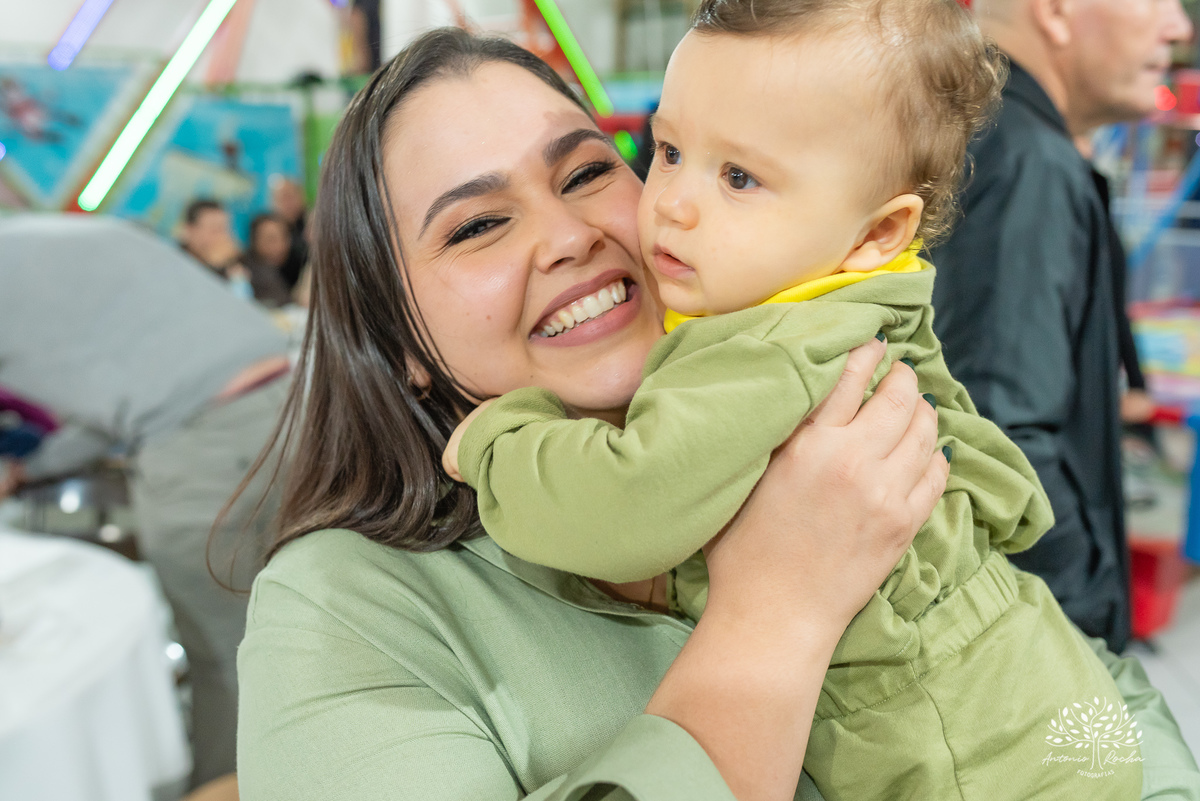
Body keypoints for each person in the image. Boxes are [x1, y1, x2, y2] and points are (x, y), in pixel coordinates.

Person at [235, 28, 1200, 801]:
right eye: (479, 224)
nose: (570, 236)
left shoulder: (827, 397)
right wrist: (777, 613)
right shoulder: (342, 610)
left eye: (587, 173)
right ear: (396, 338)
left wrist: (1120, 780)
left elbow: (1081, 685)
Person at [928, 0, 1193, 654]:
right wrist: (1090, 614)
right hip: (1029, 644)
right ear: (1055, 10)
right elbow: (999, 437)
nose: (1179, 26)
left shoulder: (968, 127)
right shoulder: (1026, 159)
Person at [0, 214, 290, 789]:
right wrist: (32, 467)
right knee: (293, 631)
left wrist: (27, 469)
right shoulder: (66, 236)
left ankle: (234, 786)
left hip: (203, 451)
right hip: (292, 408)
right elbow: (117, 396)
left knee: (228, 658)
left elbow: (128, 403)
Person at [243, 213, 295, 308]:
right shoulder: (246, 272)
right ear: (254, 241)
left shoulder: (295, 262)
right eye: (271, 239)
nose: (280, 245)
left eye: (284, 237)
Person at [268, 176, 309, 290]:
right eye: (282, 199)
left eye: (290, 196)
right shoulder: (270, 227)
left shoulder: (312, 222)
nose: (288, 203)